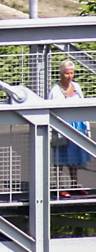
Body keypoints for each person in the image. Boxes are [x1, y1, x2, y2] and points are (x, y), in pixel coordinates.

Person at [50, 60, 90, 197]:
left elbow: (83, 105)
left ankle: (74, 184)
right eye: (67, 73)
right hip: (62, 127)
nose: (70, 76)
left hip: (77, 126)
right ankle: (59, 186)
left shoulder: (77, 87)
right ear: (61, 74)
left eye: (72, 73)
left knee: (75, 157)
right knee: (60, 157)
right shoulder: (55, 90)